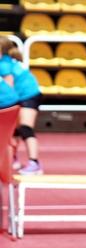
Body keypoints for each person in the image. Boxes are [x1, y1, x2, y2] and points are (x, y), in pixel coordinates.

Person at [0, 36, 43, 175]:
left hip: (28, 95)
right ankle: (13, 159)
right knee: (13, 130)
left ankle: (34, 163)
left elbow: (8, 87)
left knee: (25, 128)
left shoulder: (3, 65)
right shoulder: (7, 61)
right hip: (21, 95)